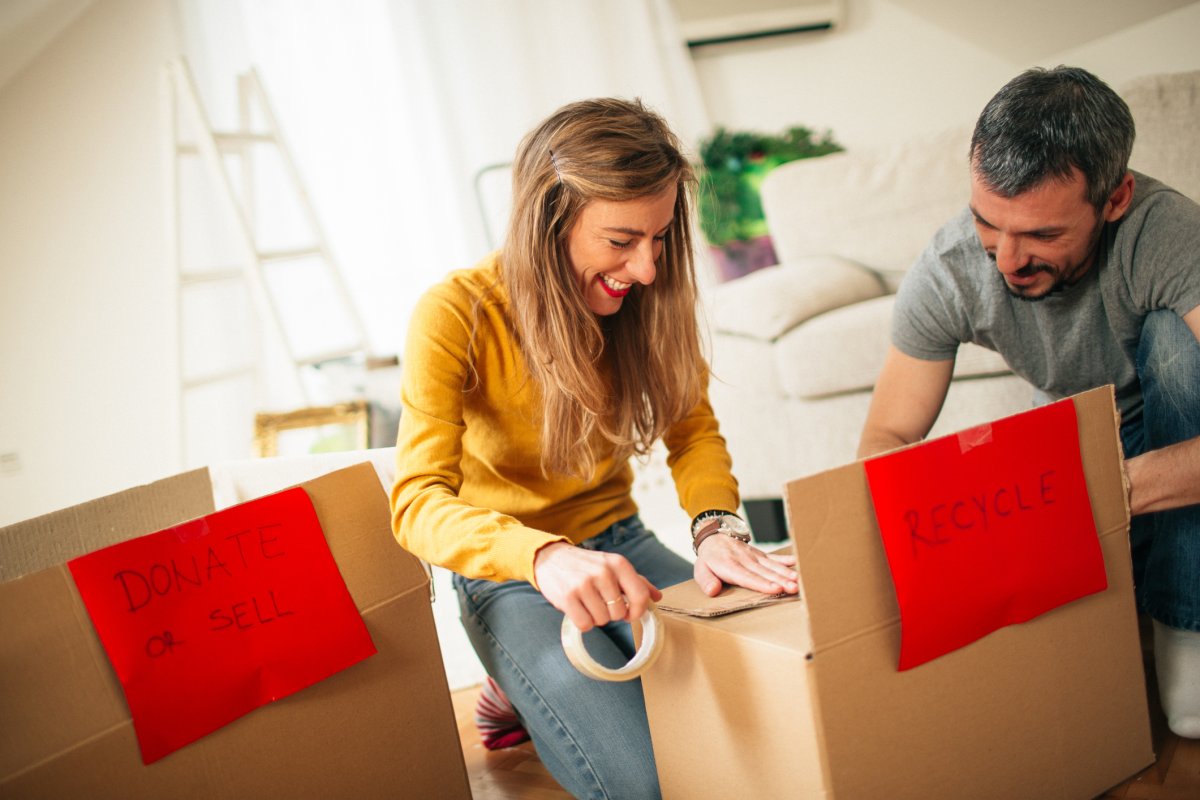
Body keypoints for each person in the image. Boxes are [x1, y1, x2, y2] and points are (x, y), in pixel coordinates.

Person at [390, 97, 798, 799]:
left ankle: (521, 682)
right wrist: (542, 557)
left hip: (623, 543)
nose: (645, 269)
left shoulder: (649, 297)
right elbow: (416, 504)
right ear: (549, 223)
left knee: (767, 709)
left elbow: (692, 431)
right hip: (513, 574)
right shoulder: (455, 312)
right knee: (649, 783)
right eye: (620, 241)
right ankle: (511, 680)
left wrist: (716, 529)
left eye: (660, 238)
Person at [858, 66, 1200, 738]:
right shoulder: (954, 266)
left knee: (1174, 341)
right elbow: (887, 436)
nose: (1008, 259)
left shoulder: (1168, 233)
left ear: (1116, 197)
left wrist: (1107, 488)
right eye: (989, 223)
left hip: (1173, 454)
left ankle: (1185, 622)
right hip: (1095, 454)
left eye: (1042, 235)